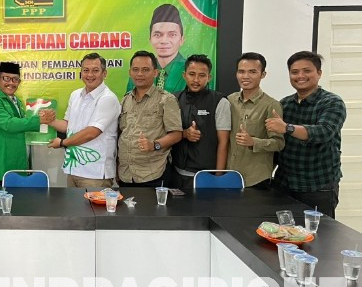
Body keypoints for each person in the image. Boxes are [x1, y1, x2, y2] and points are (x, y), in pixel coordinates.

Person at [266, 51, 346, 218]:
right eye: (295, 72)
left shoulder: (332, 102)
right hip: (284, 184)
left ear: (319, 73)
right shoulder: (284, 104)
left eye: (307, 71)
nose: (300, 76)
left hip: (318, 186)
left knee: (319, 232)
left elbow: (324, 132)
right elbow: (277, 144)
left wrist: (287, 128)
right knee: (283, 230)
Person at [47, 53, 120, 188]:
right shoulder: (75, 95)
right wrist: (50, 121)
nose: (90, 75)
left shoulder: (107, 98)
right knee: (71, 203)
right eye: (86, 70)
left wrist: (62, 143)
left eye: (95, 70)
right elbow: (67, 125)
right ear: (81, 73)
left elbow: (91, 132)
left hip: (95, 174)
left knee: (94, 204)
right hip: (73, 169)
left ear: (104, 74)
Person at [0, 62, 55, 186]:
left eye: (15, 79)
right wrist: (39, 120)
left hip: (19, 165)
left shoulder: (18, 101)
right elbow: (9, 124)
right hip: (1, 166)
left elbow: (22, 126)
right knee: (0, 199)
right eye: (6, 78)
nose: (11, 83)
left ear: (19, 82)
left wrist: (45, 117)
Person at [118, 50, 182, 187]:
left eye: (145, 70)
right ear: (130, 72)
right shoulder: (125, 100)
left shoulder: (166, 99)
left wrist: (154, 145)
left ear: (155, 73)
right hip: (125, 174)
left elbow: (176, 134)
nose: (140, 74)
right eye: (135, 70)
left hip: (152, 174)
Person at [172, 54, 231, 189]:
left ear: (209, 77)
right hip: (175, 173)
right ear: (184, 75)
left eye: (202, 75)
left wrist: (218, 177)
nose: (196, 80)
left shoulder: (220, 101)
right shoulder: (174, 99)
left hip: (205, 176)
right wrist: (184, 133)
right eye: (192, 74)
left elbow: (223, 142)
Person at [227, 52, 284, 188]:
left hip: (256, 179)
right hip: (229, 174)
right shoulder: (230, 100)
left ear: (263, 74)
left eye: (252, 72)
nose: (245, 76)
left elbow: (279, 143)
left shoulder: (271, 105)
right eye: (241, 71)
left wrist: (253, 142)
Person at [126, 4, 187, 94]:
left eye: (172, 35)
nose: (164, 41)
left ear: (182, 39)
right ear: (150, 39)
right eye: (157, 35)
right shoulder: (138, 71)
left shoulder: (190, 70)